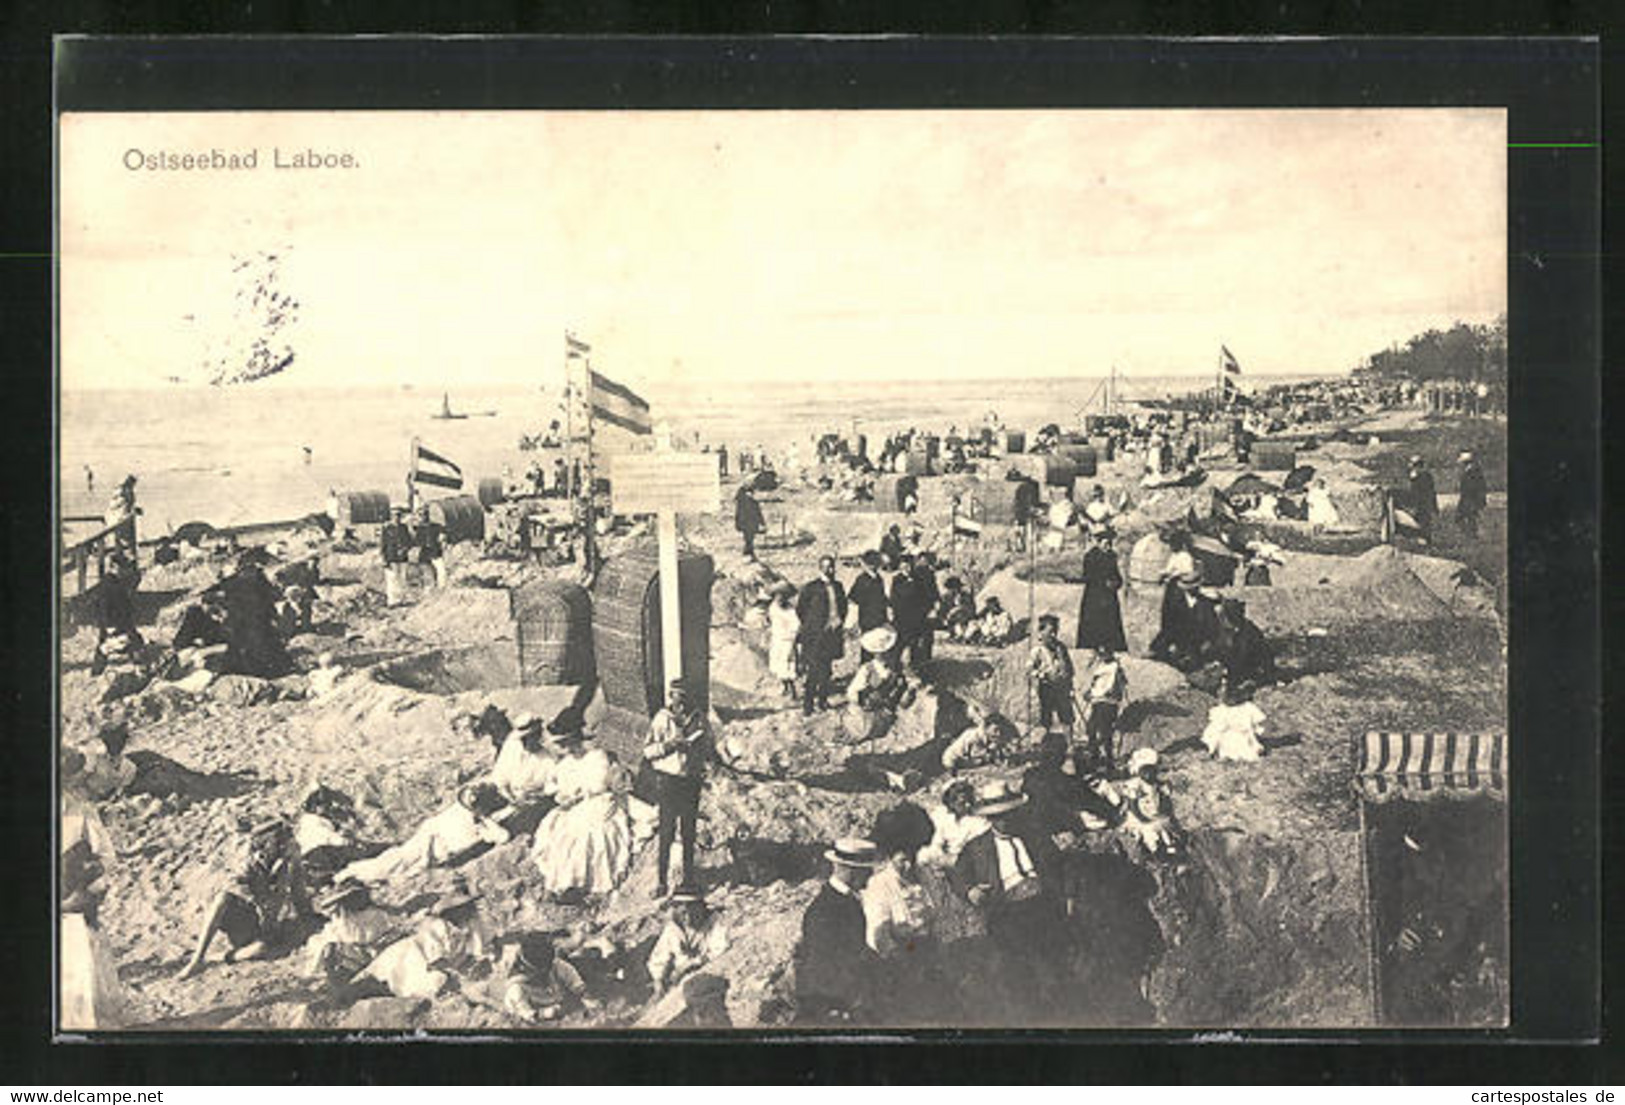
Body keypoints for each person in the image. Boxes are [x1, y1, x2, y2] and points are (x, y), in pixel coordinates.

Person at [953, 782, 1069, 1019]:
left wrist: (1069, 895)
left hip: (1044, 906)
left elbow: (1060, 866)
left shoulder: (1035, 835)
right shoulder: (977, 847)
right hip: (1008, 914)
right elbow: (957, 875)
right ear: (988, 818)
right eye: (997, 817)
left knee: (1055, 971)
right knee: (1018, 973)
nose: (1003, 822)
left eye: (1008, 815)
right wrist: (970, 891)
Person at [177, 817, 318, 978]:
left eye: (284, 840)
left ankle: (213, 958)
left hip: (267, 927)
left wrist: (308, 917)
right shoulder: (247, 859)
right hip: (246, 920)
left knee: (263, 948)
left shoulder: (290, 860)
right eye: (278, 840)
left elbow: (298, 893)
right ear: (265, 844)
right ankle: (197, 959)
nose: (283, 844)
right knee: (222, 899)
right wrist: (257, 904)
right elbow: (235, 885)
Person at [532, 706, 634, 897]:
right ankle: (565, 882)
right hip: (575, 806)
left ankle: (583, 883)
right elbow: (559, 787)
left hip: (599, 801)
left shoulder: (597, 757)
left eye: (566, 743)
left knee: (588, 833)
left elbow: (598, 786)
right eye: (561, 744)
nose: (564, 748)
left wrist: (577, 796)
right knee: (562, 833)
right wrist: (564, 797)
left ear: (574, 738)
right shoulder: (566, 763)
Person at [338, 783, 511, 884]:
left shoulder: (479, 825)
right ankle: (350, 874)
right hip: (423, 845)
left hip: (433, 851)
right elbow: (431, 827)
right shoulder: (459, 814)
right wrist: (426, 856)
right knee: (393, 862)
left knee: (394, 865)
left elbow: (503, 837)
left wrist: (485, 819)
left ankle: (352, 874)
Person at [793, 838, 883, 1024]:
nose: (869, 877)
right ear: (851, 871)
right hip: (831, 1005)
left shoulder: (846, 901)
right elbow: (825, 965)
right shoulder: (825, 910)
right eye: (867, 871)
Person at [354, 883, 493, 1000]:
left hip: (433, 961)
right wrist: (456, 974)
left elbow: (478, 950)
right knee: (403, 978)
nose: (465, 911)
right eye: (460, 908)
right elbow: (436, 960)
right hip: (411, 955)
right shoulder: (439, 926)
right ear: (450, 911)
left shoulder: (472, 924)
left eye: (467, 906)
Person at [643, 681, 710, 898]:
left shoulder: (698, 718)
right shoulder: (662, 719)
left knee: (688, 831)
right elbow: (648, 751)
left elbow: (709, 744)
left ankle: (687, 879)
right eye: (676, 698)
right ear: (670, 698)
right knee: (666, 831)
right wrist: (670, 745)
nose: (679, 703)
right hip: (669, 781)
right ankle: (661, 881)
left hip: (690, 781)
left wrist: (699, 749)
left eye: (683, 698)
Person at [216, 548, 293, 678]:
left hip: (241, 620)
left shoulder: (235, 580)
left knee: (243, 646)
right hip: (256, 618)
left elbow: (225, 592)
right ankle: (271, 670)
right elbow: (269, 597)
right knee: (263, 644)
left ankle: (242, 671)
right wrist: (273, 615)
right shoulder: (257, 577)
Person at [647, 884, 730, 995]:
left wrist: (691, 964)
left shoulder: (714, 922)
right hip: (677, 980)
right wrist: (658, 980)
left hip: (704, 975)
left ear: (700, 907)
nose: (687, 917)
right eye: (683, 912)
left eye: (691, 911)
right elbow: (658, 958)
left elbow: (720, 949)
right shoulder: (673, 928)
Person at [301, 880, 391, 982]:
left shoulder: (377, 915)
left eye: (358, 896)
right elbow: (334, 935)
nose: (356, 900)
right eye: (352, 898)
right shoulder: (343, 917)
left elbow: (383, 937)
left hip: (374, 957)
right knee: (323, 945)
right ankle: (332, 979)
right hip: (352, 957)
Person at [487, 713, 559, 831]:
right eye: (523, 739)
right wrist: (509, 796)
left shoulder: (547, 758)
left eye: (531, 738)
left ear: (538, 736)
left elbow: (551, 786)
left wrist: (536, 795)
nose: (526, 743)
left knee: (521, 819)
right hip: (508, 797)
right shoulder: (512, 748)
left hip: (531, 802)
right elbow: (500, 777)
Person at [795, 555, 848, 715]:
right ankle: (808, 705)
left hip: (831, 634)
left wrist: (839, 621)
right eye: (825, 566)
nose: (829, 569)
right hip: (815, 636)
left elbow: (843, 606)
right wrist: (813, 626)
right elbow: (801, 610)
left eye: (831, 566)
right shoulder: (811, 587)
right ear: (820, 568)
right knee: (813, 671)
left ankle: (823, 701)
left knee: (827, 669)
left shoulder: (838, 586)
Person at [845, 627, 914, 743]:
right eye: (881, 653)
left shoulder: (896, 670)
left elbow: (904, 699)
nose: (886, 656)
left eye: (889, 652)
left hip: (885, 714)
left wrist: (909, 691)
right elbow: (851, 692)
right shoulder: (867, 669)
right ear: (875, 654)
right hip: (866, 714)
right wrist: (864, 698)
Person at [1116, 748, 1183, 859]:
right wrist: (1142, 818)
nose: (1148, 774)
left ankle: (1171, 846)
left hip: (1154, 814)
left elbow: (1164, 800)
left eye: (1152, 770)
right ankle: (1155, 850)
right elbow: (1133, 805)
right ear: (1139, 771)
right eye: (1145, 770)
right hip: (1140, 815)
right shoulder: (1136, 785)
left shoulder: (1157, 784)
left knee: (1165, 827)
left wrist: (1166, 812)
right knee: (1149, 830)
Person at [1149, 529, 1201, 667]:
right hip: (1171, 589)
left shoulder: (1185, 556)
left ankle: (1181, 649)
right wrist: (1163, 574)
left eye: (1173, 544)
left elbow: (1188, 572)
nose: (1171, 547)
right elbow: (1169, 569)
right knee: (1168, 616)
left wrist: (1172, 575)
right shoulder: (1174, 556)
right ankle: (1165, 648)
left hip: (1181, 588)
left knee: (1180, 617)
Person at [1076, 526, 1128, 654]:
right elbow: (1087, 577)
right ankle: (1090, 647)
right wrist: (1103, 583)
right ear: (1098, 543)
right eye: (1105, 543)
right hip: (1094, 596)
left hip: (1110, 597)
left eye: (1110, 544)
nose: (1108, 546)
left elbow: (1118, 576)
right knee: (1093, 623)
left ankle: (1111, 648)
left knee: (1110, 623)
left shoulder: (1112, 556)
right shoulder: (1090, 557)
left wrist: (1116, 583)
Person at [1079, 646, 1129, 774]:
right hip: (1097, 702)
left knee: (1104, 731)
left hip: (1108, 703)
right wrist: (1089, 692)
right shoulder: (1100, 666)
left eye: (1105, 652)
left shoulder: (1115, 667)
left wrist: (1095, 693)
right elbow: (1096, 683)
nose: (1102, 655)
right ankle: (1095, 756)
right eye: (1100, 653)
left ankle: (1109, 761)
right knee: (1091, 728)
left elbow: (1113, 687)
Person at [919, 780, 991, 867]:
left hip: (969, 861)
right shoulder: (947, 820)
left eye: (969, 800)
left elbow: (975, 849)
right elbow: (937, 843)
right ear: (952, 804)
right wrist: (939, 853)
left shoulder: (978, 821)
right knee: (923, 855)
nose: (968, 805)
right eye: (962, 803)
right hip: (949, 859)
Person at [1029, 613, 1076, 735]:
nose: (1053, 634)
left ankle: (1070, 745)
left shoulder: (1061, 648)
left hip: (1062, 688)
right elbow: (1029, 670)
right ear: (1041, 632)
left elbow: (1070, 669)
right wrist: (1042, 675)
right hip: (1047, 687)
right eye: (1050, 631)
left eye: (1055, 631)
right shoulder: (1037, 650)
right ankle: (1047, 743)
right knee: (1046, 717)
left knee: (1067, 717)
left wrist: (1070, 685)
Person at [1200, 679, 1268, 762]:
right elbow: (1216, 729)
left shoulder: (1246, 708)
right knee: (1232, 742)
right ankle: (1227, 754)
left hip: (1240, 738)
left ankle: (1229, 755)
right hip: (1231, 739)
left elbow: (1216, 730)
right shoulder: (1224, 710)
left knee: (1242, 744)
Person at [888, 552, 930, 671]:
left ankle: (915, 669)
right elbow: (893, 599)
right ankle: (896, 670)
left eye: (909, 566)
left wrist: (922, 614)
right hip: (901, 619)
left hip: (915, 619)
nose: (907, 569)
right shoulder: (896, 580)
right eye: (904, 567)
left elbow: (924, 599)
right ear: (900, 567)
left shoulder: (919, 580)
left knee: (915, 646)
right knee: (899, 645)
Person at [941, 706, 1011, 773]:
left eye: (999, 730)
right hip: (953, 761)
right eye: (995, 730)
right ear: (987, 727)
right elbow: (976, 754)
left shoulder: (983, 734)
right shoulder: (975, 737)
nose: (998, 733)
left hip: (964, 758)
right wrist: (991, 752)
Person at [848, 552, 890, 660]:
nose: (874, 566)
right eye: (871, 564)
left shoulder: (879, 579)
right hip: (867, 620)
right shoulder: (861, 579)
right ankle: (866, 672)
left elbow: (882, 598)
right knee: (868, 648)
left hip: (880, 618)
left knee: (881, 647)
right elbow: (853, 599)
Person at [766, 582, 801, 700]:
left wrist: (792, 634)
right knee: (778, 664)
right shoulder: (772, 608)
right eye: (777, 596)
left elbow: (796, 623)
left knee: (788, 664)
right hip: (777, 639)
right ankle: (785, 686)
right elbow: (772, 622)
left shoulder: (790, 609)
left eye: (782, 596)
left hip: (788, 640)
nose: (780, 598)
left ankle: (792, 690)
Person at [380, 507, 412, 606]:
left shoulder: (404, 528)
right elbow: (383, 544)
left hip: (402, 557)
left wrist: (405, 549)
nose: (396, 518)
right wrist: (384, 559)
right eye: (394, 516)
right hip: (391, 556)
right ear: (391, 517)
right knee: (392, 578)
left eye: (398, 516)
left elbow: (409, 541)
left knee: (402, 578)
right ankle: (392, 601)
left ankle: (402, 599)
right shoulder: (386, 528)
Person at [1457, 450, 1488, 537]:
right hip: (1467, 499)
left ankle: (1472, 534)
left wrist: (1479, 500)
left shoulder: (1474, 471)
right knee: (1465, 517)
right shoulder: (1470, 470)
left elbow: (1479, 487)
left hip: (1471, 499)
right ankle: (1471, 533)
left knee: (1469, 517)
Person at [1407, 456, 1438, 544]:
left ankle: (1424, 542)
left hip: (1421, 504)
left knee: (1422, 523)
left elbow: (1418, 492)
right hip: (1424, 504)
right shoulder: (1426, 475)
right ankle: (1425, 541)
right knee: (1423, 523)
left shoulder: (1420, 476)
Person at [415, 505, 447, 589]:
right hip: (425, 553)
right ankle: (429, 590)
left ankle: (441, 588)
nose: (423, 517)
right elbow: (417, 542)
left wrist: (443, 538)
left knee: (441, 571)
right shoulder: (419, 528)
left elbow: (444, 534)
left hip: (435, 552)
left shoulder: (436, 526)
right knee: (427, 573)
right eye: (420, 515)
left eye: (425, 514)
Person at [734, 483, 766, 559]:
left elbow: (738, 513)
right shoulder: (750, 502)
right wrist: (762, 522)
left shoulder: (742, 503)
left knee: (748, 536)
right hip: (749, 522)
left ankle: (749, 549)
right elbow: (758, 513)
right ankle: (749, 549)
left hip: (747, 522)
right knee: (749, 536)